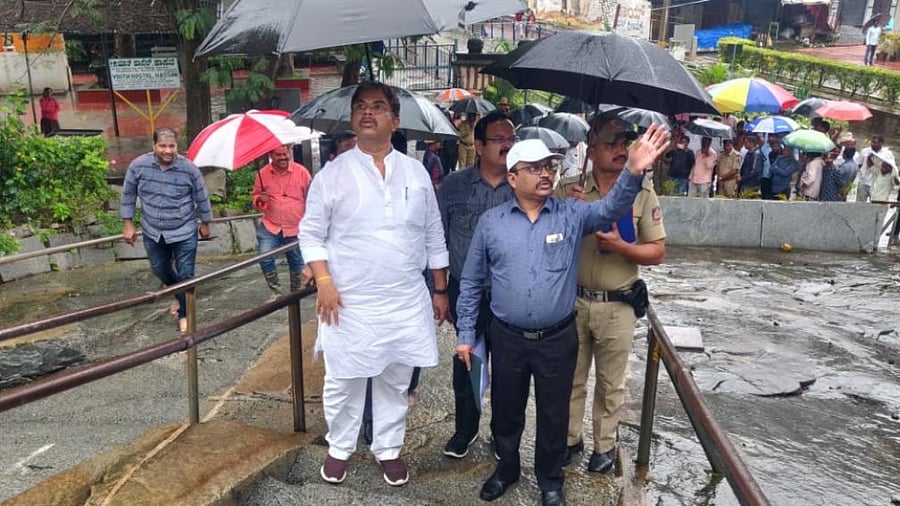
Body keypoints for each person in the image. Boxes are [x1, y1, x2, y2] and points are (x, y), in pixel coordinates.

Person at [456, 126, 670, 506]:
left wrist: (633, 171)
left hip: (557, 337)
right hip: (507, 336)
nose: (545, 174)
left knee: (555, 414)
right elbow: (472, 281)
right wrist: (466, 335)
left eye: (549, 167)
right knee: (506, 411)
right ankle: (506, 469)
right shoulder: (493, 223)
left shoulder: (571, 215)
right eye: (534, 167)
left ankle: (550, 480)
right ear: (512, 177)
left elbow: (610, 208)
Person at [298, 81, 450, 487]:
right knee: (343, 378)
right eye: (361, 107)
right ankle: (339, 447)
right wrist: (325, 281)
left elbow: (433, 232)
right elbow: (310, 233)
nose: (368, 113)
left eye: (378, 106)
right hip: (348, 300)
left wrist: (439, 289)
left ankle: (388, 449)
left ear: (394, 120)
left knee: (395, 379)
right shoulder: (332, 175)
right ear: (352, 119)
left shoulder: (416, 172)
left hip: (404, 298)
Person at [555, 117, 666, 476]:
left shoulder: (641, 192)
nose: (622, 149)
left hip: (617, 305)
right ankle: (570, 440)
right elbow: (545, 239)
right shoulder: (568, 190)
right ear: (593, 146)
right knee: (570, 377)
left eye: (625, 143)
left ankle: (604, 446)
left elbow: (657, 251)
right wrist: (563, 213)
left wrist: (623, 248)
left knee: (610, 383)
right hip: (572, 302)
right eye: (612, 142)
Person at [437, 110, 517, 459]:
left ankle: (503, 436)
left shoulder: (523, 185)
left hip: (509, 292)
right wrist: (438, 290)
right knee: (467, 359)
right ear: (480, 145)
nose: (507, 145)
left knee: (508, 366)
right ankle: (465, 429)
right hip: (464, 290)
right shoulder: (454, 187)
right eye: (499, 139)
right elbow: (436, 238)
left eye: (511, 139)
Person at [120, 127, 213, 334]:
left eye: (172, 146)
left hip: (184, 229)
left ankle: (185, 315)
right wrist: (128, 224)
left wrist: (205, 222)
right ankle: (181, 296)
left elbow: (201, 196)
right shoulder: (139, 166)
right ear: (154, 146)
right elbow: (128, 195)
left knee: (186, 273)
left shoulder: (189, 169)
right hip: (153, 230)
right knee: (159, 268)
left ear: (177, 146)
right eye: (163, 146)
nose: (168, 150)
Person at [252, 144, 312, 295]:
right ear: (271, 155)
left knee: (297, 263)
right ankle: (276, 292)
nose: (283, 157)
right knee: (264, 257)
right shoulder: (263, 174)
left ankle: (296, 295)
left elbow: (312, 197)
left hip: (296, 226)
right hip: (271, 225)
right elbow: (256, 199)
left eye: (285, 154)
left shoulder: (301, 172)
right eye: (279, 155)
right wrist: (260, 198)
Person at [856, 135, 889, 202]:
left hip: (877, 185)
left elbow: (889, 169)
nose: (872, 144)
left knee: (876, 205)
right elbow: (859, 164)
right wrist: (863, 174)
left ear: (881, 143)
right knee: (859, 205)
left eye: (875, 142)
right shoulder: (865, 151)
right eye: (872, 142)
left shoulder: (887, 154)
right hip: (864, 182)